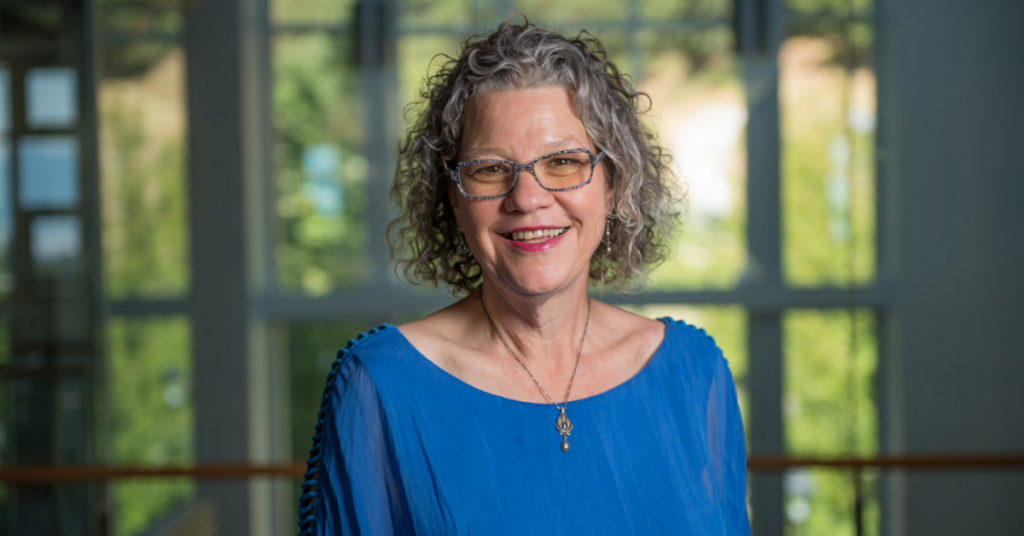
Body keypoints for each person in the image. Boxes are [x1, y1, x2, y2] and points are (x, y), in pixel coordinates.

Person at [297, 17, 750, 536]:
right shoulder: (379, 385)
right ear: (453, 199)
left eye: (562, 162)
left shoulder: (695, 375)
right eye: (489, 169)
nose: (528, 199)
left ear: (614, 184)